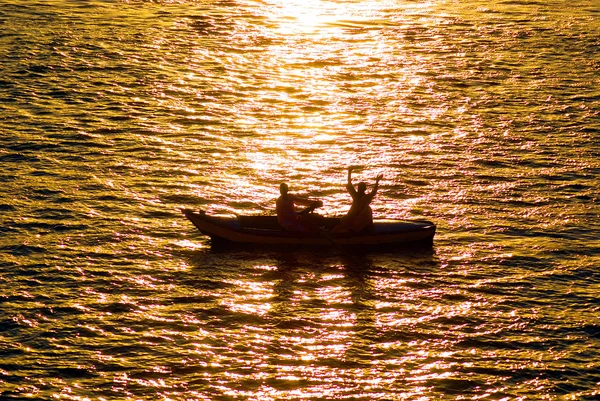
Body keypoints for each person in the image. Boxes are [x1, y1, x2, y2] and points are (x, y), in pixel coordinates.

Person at [332, 166, 383, 233]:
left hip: (361, 219)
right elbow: (349, 185)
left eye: (361, 188)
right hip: (352, 217)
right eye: (359, 188)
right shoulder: (355, 195)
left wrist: (377, 181)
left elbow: (374, 192)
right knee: (341, 225)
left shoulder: (366, 197)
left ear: (364, 189)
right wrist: (349, 172)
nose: (359, 189)